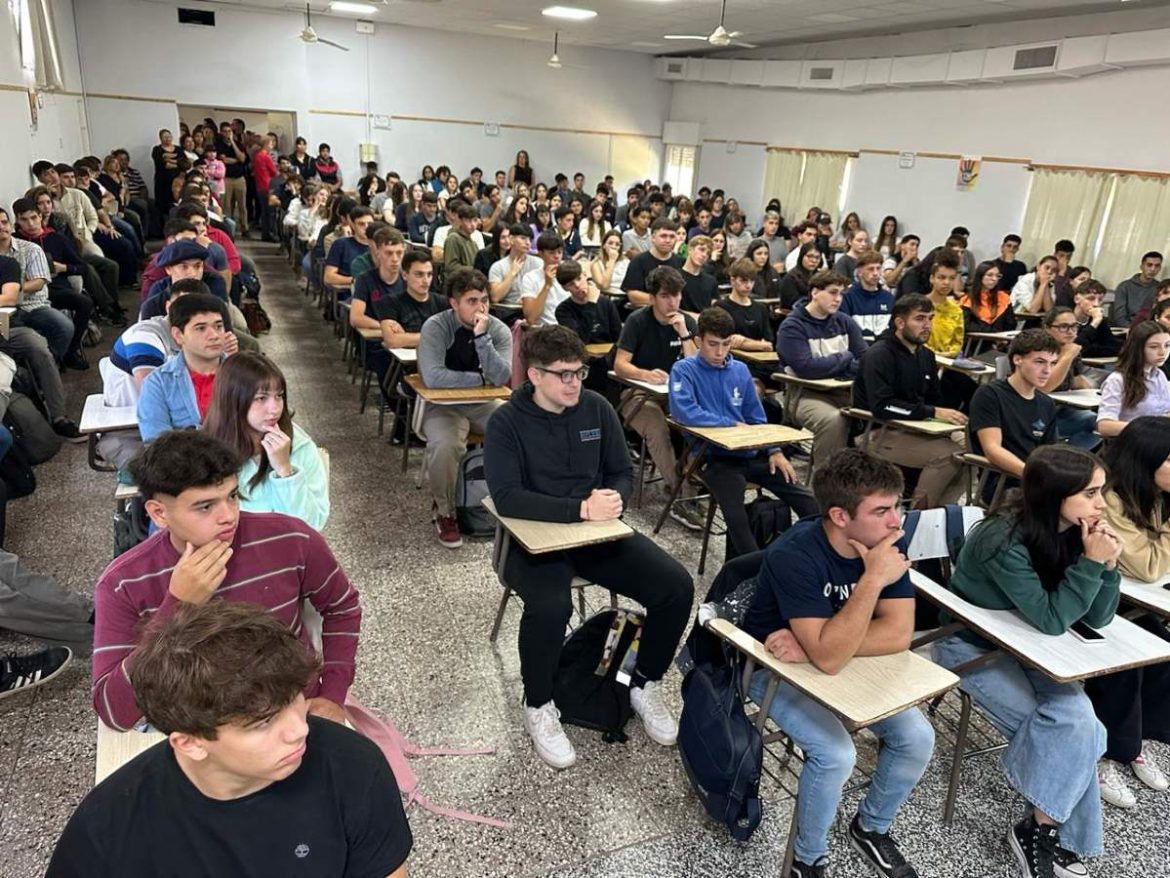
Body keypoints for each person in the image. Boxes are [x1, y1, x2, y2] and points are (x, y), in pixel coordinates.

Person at [52, 600, 410, 877]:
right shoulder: (106, 833)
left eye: (294, 698)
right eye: (263, 722)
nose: (300, 729)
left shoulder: (354, 768)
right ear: (190, 742)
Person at [482, 325, 692, 767]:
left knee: (676, 586)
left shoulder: (596, 408)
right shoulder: (506, 422)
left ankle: (645, 681)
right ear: (534, 375)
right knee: (551, 606)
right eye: (563, 374)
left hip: (595, 534)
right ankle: (538, 703)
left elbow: (620, 471)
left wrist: (614, 498)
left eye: (579, 371)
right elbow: (507, 497)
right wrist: (580, 508)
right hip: (531, 540)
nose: (574, 382)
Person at [741, 449, 933, 878]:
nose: (896, 522)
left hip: (817, 654)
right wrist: (872, 581)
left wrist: (822, 644)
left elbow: (898, 634)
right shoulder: (795, 554)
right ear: (840, 516)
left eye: (897, 506)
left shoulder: (885, 543)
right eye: (881, 511)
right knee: (836, 754)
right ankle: (807, 859)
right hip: (770, 667)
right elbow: (829, 659)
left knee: (918, 737)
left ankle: (871, 827)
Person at [90, 430, 362, 733]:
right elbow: (114, 712)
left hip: (292, 712)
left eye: (232, 496)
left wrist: (332, 694)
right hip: (199, 732)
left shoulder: (291, 538)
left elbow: (342, 606)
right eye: (205, 506)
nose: (228, 516)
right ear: (159, 513)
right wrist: (177, 607)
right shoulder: (122, 583)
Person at [934, 445, 1117, 878]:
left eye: (1101, 491)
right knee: (1079, 732)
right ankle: (1050, 837)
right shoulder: (1001, 537)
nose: (1101, 504)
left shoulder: (1073, 530)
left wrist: (1107, 565)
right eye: (1090, 493)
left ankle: (1039, 829)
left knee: (1079, 724)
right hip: (971, 647)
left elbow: (1097, 617)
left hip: (1029, 648)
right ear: (1054, 494)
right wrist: (1091, 565)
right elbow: (1053, 619)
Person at [670, 308, 817, 560]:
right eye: (713, 344)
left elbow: (756, 417)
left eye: (726, 344)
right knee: (737, 519)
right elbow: (685, 412)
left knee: (809, 501)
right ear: (698, 341)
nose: (720, 352)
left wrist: (774, 450)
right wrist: (730, 424)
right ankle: (755, 569)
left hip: (751, 453)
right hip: (714, 458)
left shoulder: (739, 370)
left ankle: (809, 558)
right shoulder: (684, 370)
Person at [1091, 417, 1170, 808]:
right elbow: (1150, 565)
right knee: (1129, 657)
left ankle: (1136, 741)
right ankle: (1104, 753)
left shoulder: (1151, 493)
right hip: (1090, 597)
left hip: (1130, 598)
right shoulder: (1108, 499)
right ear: (1146, 459)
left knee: (1164, 647)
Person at [417, 268, 512, 548]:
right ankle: (445, 512)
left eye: (484, 300)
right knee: (445, 444)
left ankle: (513, 497)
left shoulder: (497, 329)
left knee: (518, 426)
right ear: (454, 303)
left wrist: (482, 339)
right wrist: (480, 379)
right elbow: (433, 377)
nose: (480, 308)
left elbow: (501, 376)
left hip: (483, 404)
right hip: (442, 406)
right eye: (472, 301)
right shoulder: (436, 327)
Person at [852, 294, 968, 508]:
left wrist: (945, 418)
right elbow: (882, 406)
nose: (927, 325)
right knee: (948, 455)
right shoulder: (879, 355)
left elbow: (933, 400)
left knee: (972, 449)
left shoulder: (926, 356)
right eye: (920, 319)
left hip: (916, 427)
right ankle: (918, 515)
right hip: (878, 430)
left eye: (930, 318)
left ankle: (941, 514)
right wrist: (932, 412)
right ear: (900, 322)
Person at [614, 266, 702, 529]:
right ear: (652, 298)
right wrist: (644, 374)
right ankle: (680, 496)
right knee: (656, 425)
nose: (672, 302)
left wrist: (684, 333)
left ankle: (692, 485)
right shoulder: (637, 321)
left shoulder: (687, 322)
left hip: (676, 395)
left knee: (703, 423)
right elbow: (620, 364)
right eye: (665, 296)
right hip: (638, 393)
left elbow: (697, 368)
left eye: (676, 295)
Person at [202, 352, 329, 531]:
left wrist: (285, 471)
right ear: (233, 400)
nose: (275, 408)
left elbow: (312, 526)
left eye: (279, 396)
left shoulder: (300, 446)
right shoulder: (206, 451)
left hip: (289, 545)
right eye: (261, 398)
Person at [776, 270, 866, 470]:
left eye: (841, 294)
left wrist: (836, 366)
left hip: (845, 392)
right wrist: (845, 357)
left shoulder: (845, 321)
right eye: (833, 293)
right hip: (804, 395)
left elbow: (865, 361)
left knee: (875, 412)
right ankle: (825, 478)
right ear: (815, 293)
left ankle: (860, 475)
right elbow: (806, 368)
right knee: (834, 420)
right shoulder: (792, 326)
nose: (838, 299)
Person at [967, 329, 1060, 502]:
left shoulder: (1046, 403)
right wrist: (1031, 475)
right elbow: (992, 450)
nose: (1048, 370)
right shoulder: (990, 394)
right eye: (1040, 362)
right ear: (1017, 359)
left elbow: (1050, 453)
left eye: (1053, 363)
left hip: (1035, 480)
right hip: (1002, 483)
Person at [137, 293, 231, 441]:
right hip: (180, 456)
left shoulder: (245, 373)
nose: (214, 335)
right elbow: (156, 443)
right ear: (178, 335)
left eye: (218, 326)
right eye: (201, 328)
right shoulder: (158, 383)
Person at [1039, 308, 1102, 452]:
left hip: (1062, 409)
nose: (1070, 332)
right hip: (1038, 413)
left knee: (1099, 423)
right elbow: (1044, 387)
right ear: (1047, 328)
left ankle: (1063, 456)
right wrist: (1066, 357)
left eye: (1074, 326)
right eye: (1063, 327)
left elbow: (1077, 380)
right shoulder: (1039, 350)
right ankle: (1055, 456)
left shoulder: (1071, 349)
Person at [1096, 321, 1170, 437]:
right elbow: (1105, 426)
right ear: (1138, 348)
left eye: (1167, 345)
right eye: (1154, 347)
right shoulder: (1117, 380)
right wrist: (1149, 429)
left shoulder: (1159, 375)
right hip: (1136, 441)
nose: (1162, 352)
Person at [622, 217, 683, 307]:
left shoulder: (681, 262)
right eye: (663, 236)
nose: (668, 240)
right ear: (653, 238)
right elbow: (633, 295)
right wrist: (663, 301)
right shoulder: (639, 261)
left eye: (672, 236)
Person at [840, 249, 894, 343]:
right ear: (859, 272)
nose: (875, 273)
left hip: (885, 346)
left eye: (878, 268)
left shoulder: (889, 298)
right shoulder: (847, 297)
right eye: (870, 269)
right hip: (858, 347)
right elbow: (844, 329)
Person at [959, 261, 1014, 336]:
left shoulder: (1004, 298)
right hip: (975, 341)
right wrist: (994, 333)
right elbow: (966, 325)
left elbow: (1011, 324)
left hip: (1002, 340)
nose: (994, 279)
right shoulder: (967, 300)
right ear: (980, 276)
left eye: (997, 276)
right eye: (990, 275)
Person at [1070, 281, 1122, 358]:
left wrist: (1090, 348)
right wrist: (1094, 323)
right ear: (1076, 299)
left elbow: (1115, 348)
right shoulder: (1066, 320)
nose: (1096, 304)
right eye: (1091, 299)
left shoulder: (1100, 321)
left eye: (1100, 299)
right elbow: (1074, 349)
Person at [1111, 252, 1163, 328]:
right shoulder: (1124, 286)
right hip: (1127, 328)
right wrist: (1133, 329)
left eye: (1157, 266)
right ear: (1141, 266)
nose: (1153, 269)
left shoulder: (1160, 288)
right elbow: (1120, 317)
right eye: (1149, 265)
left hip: (1150, 328)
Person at [679, 234, 718, 316]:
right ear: (690, 249)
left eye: (708, 253)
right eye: (701, 249)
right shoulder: (675, 277)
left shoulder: (711, 281)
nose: (704, 255)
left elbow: (715, 307)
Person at [778, 242, 822, 311]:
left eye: (817, 257)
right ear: (801, 257)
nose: (814, 260)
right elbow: (793, 304)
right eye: (809, 256)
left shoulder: (821, 277)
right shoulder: (790, 278)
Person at [590, 228, 629, 297]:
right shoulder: (596, 263)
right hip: (607, 297)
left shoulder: (626, 262)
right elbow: (604, 286)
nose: (613, 247)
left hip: (625, 296)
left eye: (617, 244)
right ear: (604, 245)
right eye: (610, 243)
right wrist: (612, 260)